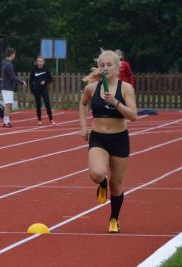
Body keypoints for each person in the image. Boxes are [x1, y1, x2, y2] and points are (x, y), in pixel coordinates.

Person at [79, 49, 137, 233]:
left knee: (117, 185)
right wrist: (83, 126)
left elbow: (133, 116)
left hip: (119, 139)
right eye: (102, 65)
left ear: (117, 67)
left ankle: (114, 219)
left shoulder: (126, 88)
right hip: (98, 137)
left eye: (109, 65)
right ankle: (101, 182)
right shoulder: (92, 88)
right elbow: (82, 104)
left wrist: (116, 103)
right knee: (96, 173)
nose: (105, 68)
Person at [1, 48, 26, 127]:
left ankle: (6, 121)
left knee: (8, 104)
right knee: (8, 104)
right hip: (7, 87)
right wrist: (22, 82)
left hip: (7, 86)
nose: (15, 56)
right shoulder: (8, 64)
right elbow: (12, 77)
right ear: (12, 54)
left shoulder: (6, 63)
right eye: (14, 54)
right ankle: (6, 122)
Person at [29, 55, 55, 126]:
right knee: (38, 105)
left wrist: (45, 81)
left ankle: (51, 119)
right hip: (36, 89)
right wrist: (32, 90)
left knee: (47, 103)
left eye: (41, 61)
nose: (40, 62)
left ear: (44, 62)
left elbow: (50, 79)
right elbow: (30, 81)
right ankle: (39, 120)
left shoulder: (46, 69)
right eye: (38, 61)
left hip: (44, 89)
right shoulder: (34, 70)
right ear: (37, 62)